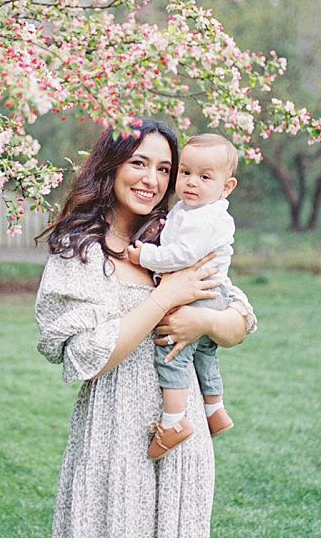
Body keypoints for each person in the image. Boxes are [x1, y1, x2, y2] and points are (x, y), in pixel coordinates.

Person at [35, 119, 257, 538]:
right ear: (112, 166)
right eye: (139, 163)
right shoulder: (80, 252)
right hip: (114, 431)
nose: (151, 180)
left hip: (182, 430)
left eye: (164, 169)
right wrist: (166, 296)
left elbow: (238, 323)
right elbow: (88, 358)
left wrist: (203, 320)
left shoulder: (175, 238)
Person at [126, 133, 240, 460]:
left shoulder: (207, 217)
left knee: (172, 353)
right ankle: (215, 409)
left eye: (205, 177)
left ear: (226, 187)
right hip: (209, 293)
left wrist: (143, 256)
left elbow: (183, 254)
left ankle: (173, 421)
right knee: (205, 353)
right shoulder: (190, 209)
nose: (191, 183)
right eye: (185, 173)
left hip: (202, 295)